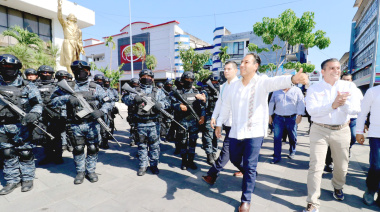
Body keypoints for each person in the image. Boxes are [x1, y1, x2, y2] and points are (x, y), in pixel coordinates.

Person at [215, 53, 308, 212]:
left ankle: (246, 199)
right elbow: (226, 106)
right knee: (235, 158)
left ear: (255, 66)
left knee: (250, 165)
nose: (242, 65)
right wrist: (219, 124)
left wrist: (292, 79)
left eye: (246, 62)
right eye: (242, 62)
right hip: (236, 130)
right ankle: (250, 174)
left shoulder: (261, 82)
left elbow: (276, 82)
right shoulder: (235, 86)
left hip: (254, 131)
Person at [303, 58, 361, 212]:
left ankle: (337, 186)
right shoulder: (314, 89)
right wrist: (333, 105)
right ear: (323, 71)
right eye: (332, 68)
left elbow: (356, 109)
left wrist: (344, 103)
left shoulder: (349, 86)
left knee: (342, 166)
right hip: (319, 130)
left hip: (342, 129)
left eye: (338, 68)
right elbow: (312, 111)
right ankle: (312, 201)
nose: (337, 71)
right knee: (316, 166)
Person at [50, 60, 112, 184]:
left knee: (93, 148)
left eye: (83, 71)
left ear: (88, 72)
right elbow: (53, 101)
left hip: (92, 124)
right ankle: (80, 171)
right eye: (77, 71)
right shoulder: (68, 86)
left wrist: (101, 111)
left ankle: (91, 170)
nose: (81, 73)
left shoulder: (95, 87)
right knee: (78, 148)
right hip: (75, 124)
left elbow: (108, 102)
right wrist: (68, 98)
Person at [0, 54, 43, 195]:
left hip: (22, 126)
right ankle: (12, 180)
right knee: (7, 153)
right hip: (2, 127)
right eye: (5, 67)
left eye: (11, 67)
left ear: (17, 68)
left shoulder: (27, 86)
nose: (8, 70)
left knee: (25, 153)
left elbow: (38, 104)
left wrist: (34, 114)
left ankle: (27, 179)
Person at [202, 61, 242, 185]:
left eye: (229, 69)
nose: (226, 71)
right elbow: (220, 103)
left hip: (238, 125)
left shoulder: (240, 85)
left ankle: (212, 175)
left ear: (236, 71)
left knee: (227, 151)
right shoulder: (223, 86)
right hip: (227, 124)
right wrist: (214, 117)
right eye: (225, 69)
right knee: (234, 153)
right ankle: (246, 170)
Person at [122, 69, 168, 176]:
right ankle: (143, 165)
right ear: (140, 78)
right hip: (140, 123)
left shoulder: (158, 91)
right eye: (144, 77)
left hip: (154, 123)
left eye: (149, 77)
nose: (146, 78)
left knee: (154, 146)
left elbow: (167, 102)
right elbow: (125, 100)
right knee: (142, 145)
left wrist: (160, 104)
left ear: (152, 79)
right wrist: (134, 99)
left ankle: (154, 165)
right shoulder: (134, 90)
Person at [171, 71, 206, 170]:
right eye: (187, 80)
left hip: (194, 121)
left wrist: (202, 117)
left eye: (191, 80)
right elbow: (172, 104)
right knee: (183, 142)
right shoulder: (178, 92)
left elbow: (202, 107)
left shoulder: (197, 92)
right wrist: (179, 106)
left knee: (193, 142)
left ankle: (191, 161)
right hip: (182, 121)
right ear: (183, 80)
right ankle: (184, 161)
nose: (189, 82)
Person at [35, 65, 64, 165]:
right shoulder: (34, 85)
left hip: (55, 114)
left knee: (57, 136)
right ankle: (48, 156)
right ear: (39, 74)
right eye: (43, 72)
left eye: (48, 73)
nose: (46, 74)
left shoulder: (58, 85)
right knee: (45, 137)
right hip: (41, 115)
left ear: (52, 74)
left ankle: (58, 156)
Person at [356, 85, 380, 207]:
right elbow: (363, 112)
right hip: (377, 135)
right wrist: (359, 131)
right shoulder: (373, 91)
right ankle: (371, 190)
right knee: (376, 165)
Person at [268, 85, 305, 164]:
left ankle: (292, 151)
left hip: (292, 118)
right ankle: (276, 156)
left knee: (292, 136)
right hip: (278, 118)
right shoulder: (276, 90)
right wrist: (270, 115)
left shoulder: (297, 90)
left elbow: (301, 102)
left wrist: (300, 115)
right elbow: (271, 102)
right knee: (277, 138)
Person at [57, 0, 85, 76]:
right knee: (68, 58)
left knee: (75, 60)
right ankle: (70, 74)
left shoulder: (78, 29)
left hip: (75, 44)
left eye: (73, 16)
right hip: (68, 41)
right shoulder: (65, 24)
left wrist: (81, 47)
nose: (72, 16)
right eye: (71, 15)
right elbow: (60, 17)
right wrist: (59, 7)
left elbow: (80, 40)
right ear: (68, 18)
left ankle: (75, 73)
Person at [201, 72, 221, 165]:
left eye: (216, 81)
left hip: (219, 117)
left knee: (216, 137)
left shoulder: (222, 90)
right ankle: (209, 155)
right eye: (213, 81)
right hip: (209, 116)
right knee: (208, 136)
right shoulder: (205, 90)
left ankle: (214, 153)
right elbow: (203, 105)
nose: (215, 82)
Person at [125, 78, 140, 146]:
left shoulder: (140, 90)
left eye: (136, 84)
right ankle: (133, 139)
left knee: (139, 126)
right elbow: (124, 100)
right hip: (131, 110)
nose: (135, 85)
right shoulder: (128, 91)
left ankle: (138, 138)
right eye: (133, 84)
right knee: (133, 126)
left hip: (139, 110)